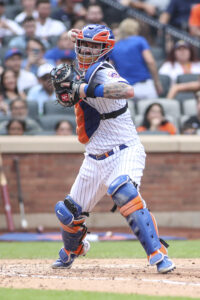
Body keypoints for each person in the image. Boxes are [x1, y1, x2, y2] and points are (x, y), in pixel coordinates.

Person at [51, 23, 175, 274]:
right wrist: (77, 35)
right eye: (83, 45)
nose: (86, 50)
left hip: (124, 150)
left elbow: (126, 89)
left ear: (104, 50)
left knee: (122, 189)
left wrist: (83, 89)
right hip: (94, 158)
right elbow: (76, 37)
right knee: (67, 213)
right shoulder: (82, 64)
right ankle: (73, 249)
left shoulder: (103, 71)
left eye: (93, 46)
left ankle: (157, 254)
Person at [110, 18, 162, 100]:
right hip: (144, 86)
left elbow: (111, 68)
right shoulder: (140, 41)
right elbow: (150, 61)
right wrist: (157, 82)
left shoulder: (115, 46)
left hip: (125, 88)